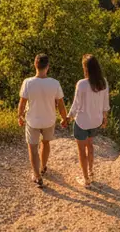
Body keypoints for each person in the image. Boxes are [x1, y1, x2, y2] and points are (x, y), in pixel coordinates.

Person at [17, 53, 68, 188]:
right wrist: (64, 117)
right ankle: (43, 167)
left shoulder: (28, 82)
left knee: (33, 147)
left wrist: (20, 116)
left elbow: (22, 103)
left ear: (35, 65)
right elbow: (61, 104)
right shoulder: (55, 83)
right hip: (49, 120)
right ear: (48, 67)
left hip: (32, 120)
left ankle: (37, 176)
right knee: (45, 143)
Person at [68, 54, 109, 187]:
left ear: (86, 68)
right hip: (96, 121)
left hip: (82, 122)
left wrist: (69, 116)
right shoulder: (103, 82)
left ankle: (85, 180)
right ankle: (91, 172)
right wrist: (104, 118)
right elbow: (105, 102)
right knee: (90, 145)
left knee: (81, 150)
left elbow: (76, 104)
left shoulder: (82, 84)